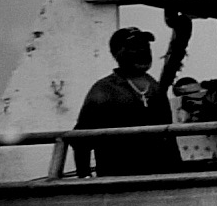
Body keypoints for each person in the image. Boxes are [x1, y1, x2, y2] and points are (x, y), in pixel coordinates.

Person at [71, 26, 178, 178]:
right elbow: (80, 141)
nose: (143, 50)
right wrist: (85, 180)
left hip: (160, 179)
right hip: (120, 181)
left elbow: (169, 137)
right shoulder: (104, 90)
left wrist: (177, 175)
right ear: (118, 53)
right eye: (134, 47)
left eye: (145, 45)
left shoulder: (155, 87)